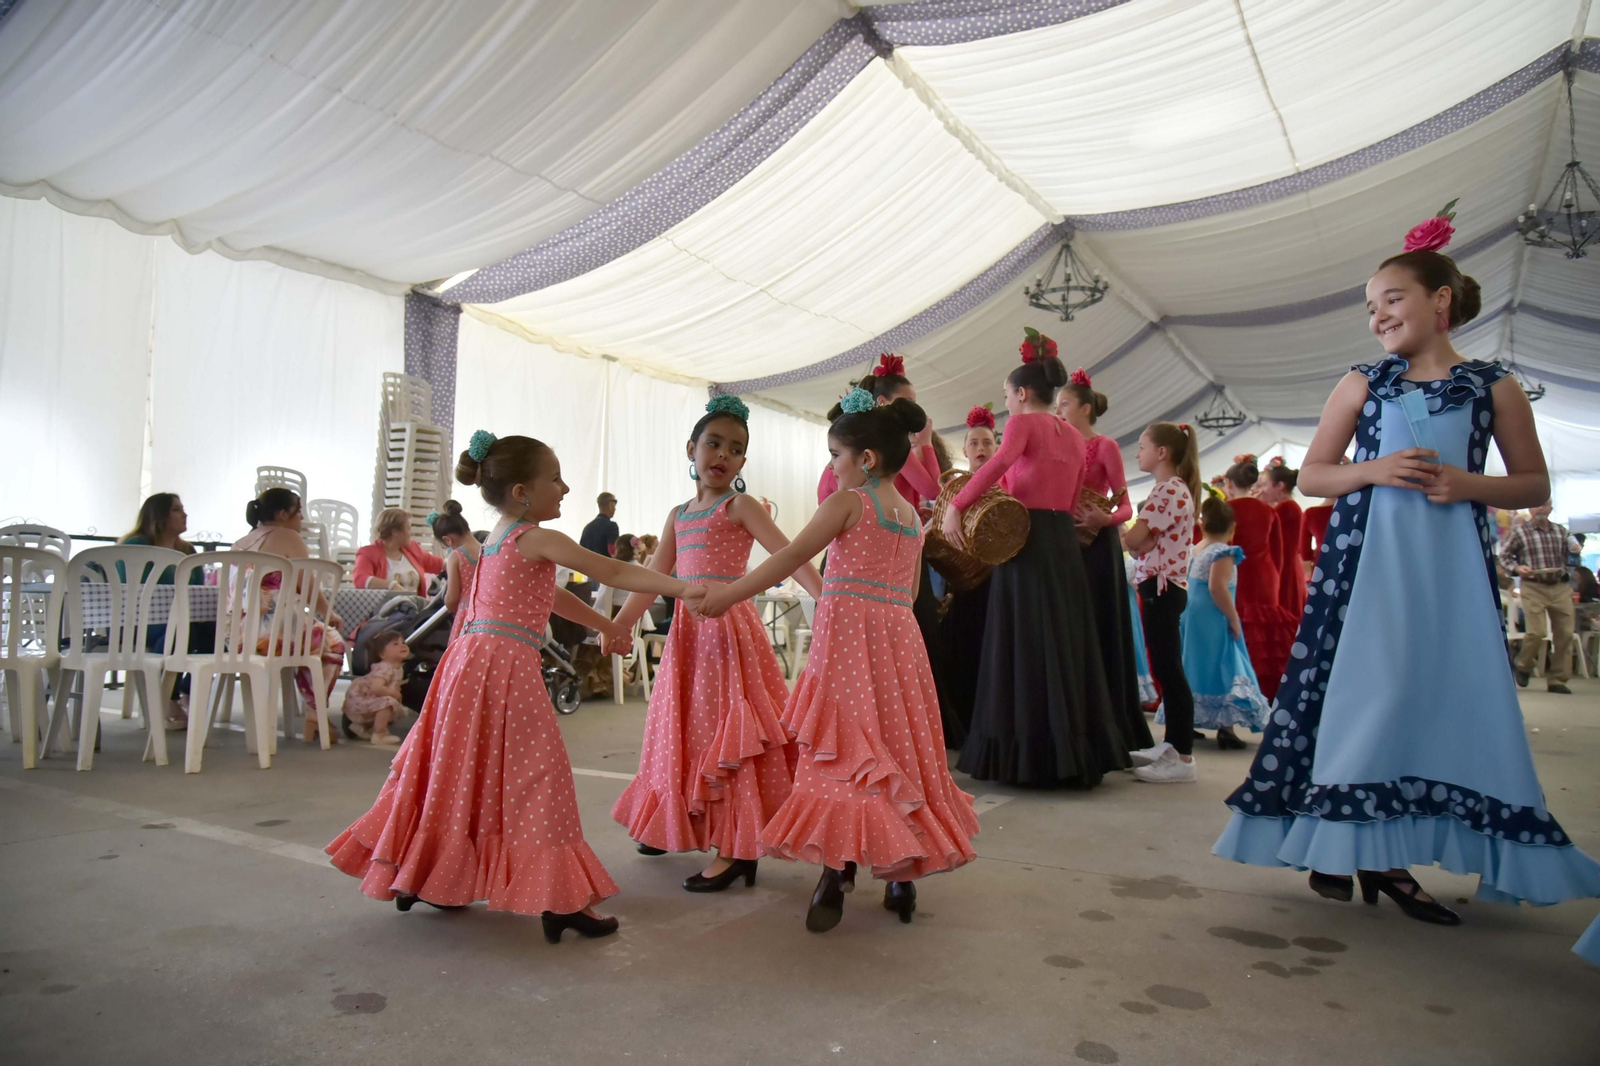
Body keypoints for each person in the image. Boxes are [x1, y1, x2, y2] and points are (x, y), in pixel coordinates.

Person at [1211, 212, 1600, 957]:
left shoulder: (1495, 386)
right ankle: (1368, 853)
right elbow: (1315, 473)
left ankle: (1384, 848)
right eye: (1371, 306)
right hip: (1368, 568)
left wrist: (1468, 484)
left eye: (1392, 297)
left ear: (1441, 300)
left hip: (1452, 566)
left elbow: (1532, 483)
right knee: (1372, 691)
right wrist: (1373, 470)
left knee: (1456, 693)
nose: (1379, 314)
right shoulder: (1364, 382)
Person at [327, 430, 704, 941]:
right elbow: (611, 567)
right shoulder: (535, 536)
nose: (566, 488)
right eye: (555, 478)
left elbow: (547, 595)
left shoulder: (494, 541)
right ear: (523, 492)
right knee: (539, 775)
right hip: (503, 666)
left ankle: (430, 876)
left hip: (467, 664)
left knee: (457, 772)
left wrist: (607, 625)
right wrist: (681, 586)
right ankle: (559, 899)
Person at [696, 392, 978, 932]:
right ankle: (901, 878)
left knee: (841, 749)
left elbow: (789, 556)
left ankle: (834, 872)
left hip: (847, 641)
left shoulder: (850, 502)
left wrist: (732, 595)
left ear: (865, 459)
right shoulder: (909, 518)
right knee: (894, 750)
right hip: (899, 641)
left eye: (835, 456)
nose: (832, 467)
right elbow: (911, 590)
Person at [610, 396, 822, 891]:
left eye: (736, 448)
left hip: (729, 631)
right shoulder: (679, 514)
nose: (722, 455)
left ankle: (736, 849)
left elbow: (788, 553)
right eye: (713, 443)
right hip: (687, 636)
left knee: (729, 738)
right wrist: (620, 625)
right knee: (683, 731)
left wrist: (825, 600)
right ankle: (672, 823)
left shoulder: (741, 505)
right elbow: (654, 575)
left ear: (744, 462)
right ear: (692, 448)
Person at [943, 330, 1125, 789]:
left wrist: (957, 505)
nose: (1008, 404)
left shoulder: (1024, 425)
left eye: (1008, 396)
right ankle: (1070, 752)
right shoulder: (1071, 434)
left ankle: (1029, 755)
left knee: (1024, 642)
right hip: (1062, 542)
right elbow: (1074, 490)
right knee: (1063, 644)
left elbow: (996, 465)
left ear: (1022, 394)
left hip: (1027, 542)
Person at [1058, 367, 1153, 755]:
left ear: (1084, 408)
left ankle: (1111, 725)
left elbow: (1126, 502)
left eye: (1064, 404)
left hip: (1098, 547)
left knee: (1100, 629)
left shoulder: (1107, 447)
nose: (1059, 410)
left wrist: (1105, 519)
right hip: (1066, 544)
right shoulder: (1059, 445)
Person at [233, 488, 346, 745]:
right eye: (299, 512)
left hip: (239, 637)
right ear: (283, 514)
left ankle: (313, 714)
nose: (302, 519)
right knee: (334, 642)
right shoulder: (287, 536)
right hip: (274, 636)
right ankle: (315, 713)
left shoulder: (241, 542)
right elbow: (307, 585)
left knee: (315, 639)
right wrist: (330, 613)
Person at [1123, 422, 1200, 783]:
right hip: (1163, 585)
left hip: (1162, 587)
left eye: (1142, 446)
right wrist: (1140, 542)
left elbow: (1136, 539)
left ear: (1162, 453)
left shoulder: (1167, 491)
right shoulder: (1172, 489)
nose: (1138, 453)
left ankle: (1182, 757)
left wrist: (1112, 524)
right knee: (1166, 667)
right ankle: (1172, 745)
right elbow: (1143, 542)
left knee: (1170, 670)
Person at [1167, 497, 1269, 749]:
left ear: (1202, 525)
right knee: (1224, 661)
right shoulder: (1223, 552)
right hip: (1212, 613)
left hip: (1191, 610)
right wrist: (1233, 617)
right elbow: (1217, 587)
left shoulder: (1197, 548)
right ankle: (1226, 727)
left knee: (1193, 661)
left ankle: (1186, 720)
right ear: (1232, 528)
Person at [936, 405, 1000, 750]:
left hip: (997, 581)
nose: (980, 448)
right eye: (973, 442)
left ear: (996, 448)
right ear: (964, 450)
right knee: (961, 647)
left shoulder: (1006, 483)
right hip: (961, 581)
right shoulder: (955, 489)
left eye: (986, 443)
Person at [119, 492, 212, 730]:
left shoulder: (188, 551)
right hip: (138, 623)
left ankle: (188, 690)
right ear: (158, 515)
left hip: (180, 621)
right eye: (177, 509)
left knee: (221, 632)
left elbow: (198, 591)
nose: (185, 514)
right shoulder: (136, 546)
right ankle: (168, 697)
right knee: (174, 634)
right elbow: (128, 591)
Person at [1221, 456, 1294, 701]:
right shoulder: (1268, 511)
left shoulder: (1225, 511)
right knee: (1267, 633)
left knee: (1237, 628)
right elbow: (1279, 553)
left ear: (1229, 483)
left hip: (1236, 571)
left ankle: (1240, 686)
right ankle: (1270, 690)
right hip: (1265, 574)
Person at [1499, 499, 1577, 694]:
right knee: (1536, 632)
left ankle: (1557, 679)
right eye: (1537, 505)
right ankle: (1523, 664)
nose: (1541, 508)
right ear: (1530, 509)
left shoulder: (1561, 531)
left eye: (1545, 504)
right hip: (1533, 585)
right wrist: (1517, 568)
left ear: (1551, 508)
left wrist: (1573, 556)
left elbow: (1573, 555)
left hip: (1559, 585)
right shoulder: (1520, 531)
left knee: (1565, 634)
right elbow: (1504, 556)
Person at [1257, 458, 1309, 621]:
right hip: (1288, 564)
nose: (1263, 490)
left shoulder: (1285, 508)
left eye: (1265, 485)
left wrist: (1258, 505)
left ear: (1279, 485)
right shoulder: (1286, 507)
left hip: (1286, 566)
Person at [343, 628, 411, 745]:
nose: (402, 646)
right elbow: (377, 688)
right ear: (382, 654)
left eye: (403, 642)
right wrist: (394, 693)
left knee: (387, 704)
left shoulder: (398, 668)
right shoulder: (385, 667)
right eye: (395, 644)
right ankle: (380, 734)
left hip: (370, 698)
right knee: (388, 703)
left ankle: (359, 727)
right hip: (362, 698)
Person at [352, 508, 445, 592]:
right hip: (385, 609)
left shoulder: (412, 548)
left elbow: (440, 565)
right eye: (408, 528)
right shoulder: (368, 553)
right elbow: (360, 579)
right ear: (395, 531)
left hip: (415, 608)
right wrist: (391, 585)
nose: (411, 533)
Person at [429, 502, 480, 641]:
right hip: (487, 615)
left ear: (447, 540)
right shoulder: (488, 551)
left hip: (467, 617)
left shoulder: (456, 556)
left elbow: (452, 600)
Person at [580, 493, 620, 558]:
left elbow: (581, 552)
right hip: (606, 566)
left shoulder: (587, 528)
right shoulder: (612, 526)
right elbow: (612, 551)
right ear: (610, 505)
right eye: (614, 506)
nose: (615, 509)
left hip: (587, 566)